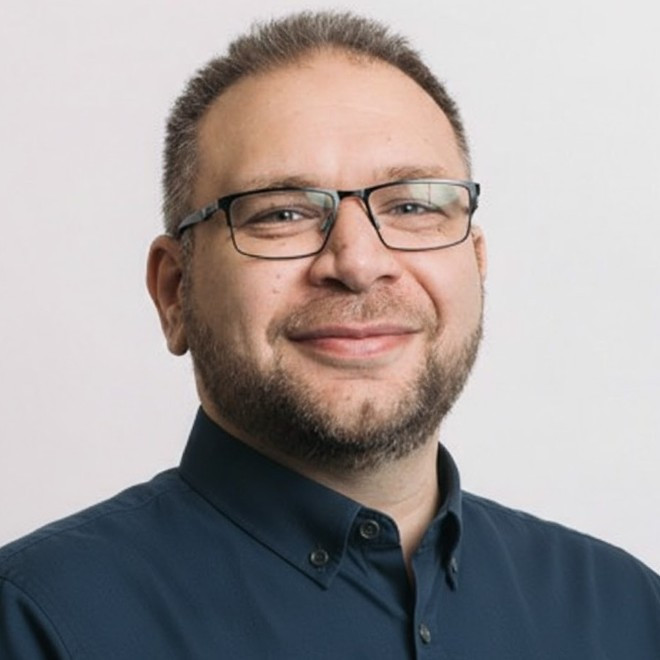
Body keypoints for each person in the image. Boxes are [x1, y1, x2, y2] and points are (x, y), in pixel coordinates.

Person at [1, 10, 658, 659]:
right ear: (175, 291)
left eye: (412, 206)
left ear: (476, 264)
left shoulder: (627, 610)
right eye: (281, 213)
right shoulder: (38, 624)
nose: (358, 263)